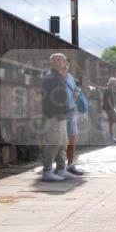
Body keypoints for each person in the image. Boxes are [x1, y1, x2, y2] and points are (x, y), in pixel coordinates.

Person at [39, 53, 71, 182]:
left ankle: (61, 169)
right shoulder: (51, 77)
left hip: (61, 116)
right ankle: (47, 171)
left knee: (63, 143)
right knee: (53, 143)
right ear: (56, 62)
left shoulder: (59, 76)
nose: (65, 63)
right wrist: (54, 114)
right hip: (55, 116)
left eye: (64, 60)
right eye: (63, 60)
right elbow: (49, 99)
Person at [63, 57, 84, 176]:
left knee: (72, 139)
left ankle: (70, 165)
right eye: (64, 64)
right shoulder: (55, 76)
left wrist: (76, 92)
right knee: (59, 140)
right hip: (60, 112)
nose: (66, 66)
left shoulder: (70, 76)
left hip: (71, 111)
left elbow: (74, 88)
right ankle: (58, 167)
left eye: (68, 65)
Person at [102, 77, 116, 143]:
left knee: (115, 121)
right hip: (109, 108)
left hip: (110, 108)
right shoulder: (108, 90)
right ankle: (112, 138)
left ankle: (112, 138)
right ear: (112, 83)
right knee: (115, 120)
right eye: (115, 82)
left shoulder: (110, 89)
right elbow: (108, 100)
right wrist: (113, 109)